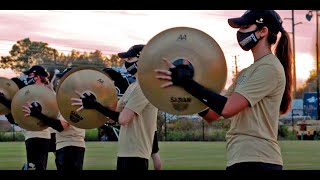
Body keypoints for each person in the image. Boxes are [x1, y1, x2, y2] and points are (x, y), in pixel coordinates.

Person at [155, 10, 292, 171]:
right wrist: (186, 85)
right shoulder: (246, 72)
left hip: (258, 158)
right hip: (240, 157)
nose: (240, 32)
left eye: (245, 26)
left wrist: (188, 83)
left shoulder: (269, 68)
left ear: (263, 31)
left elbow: (227, 109)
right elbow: (212, 114)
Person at [71, 44, 158, 171]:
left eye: (129, 59)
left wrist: (95, 105)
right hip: (125, 152)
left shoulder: (144, 87)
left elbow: (122, 119)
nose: (126, 62)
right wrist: (94, 100)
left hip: (136, 154)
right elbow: (112, 117)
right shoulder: (132, 87)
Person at [22, 67, 86, 172]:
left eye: (62, 79)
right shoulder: (71, 97)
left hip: (70, 145)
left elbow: (62, 126)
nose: (59, 82)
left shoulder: (71, 99)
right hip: (67, 145)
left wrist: (38, 115)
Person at [0, 65, 52, 170]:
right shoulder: (46, 91)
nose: (27, 77)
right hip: (39, 136)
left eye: (30, 75)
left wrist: (4, 100)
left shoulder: (37, 92)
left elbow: (19, 108)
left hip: (37, 136)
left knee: (34, 167)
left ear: (36, 77)